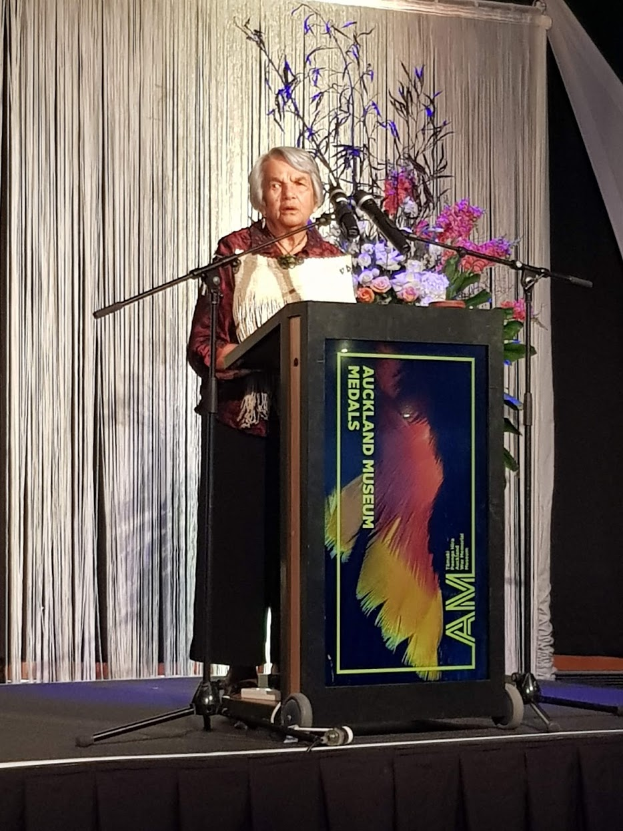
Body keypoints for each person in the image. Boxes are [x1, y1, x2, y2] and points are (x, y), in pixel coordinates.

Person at [187, 146, 355, 694]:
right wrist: (243, 359)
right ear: (261, 196)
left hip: (315, 425)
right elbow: (203, 342)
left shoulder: (334, 256)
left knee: (308, 542)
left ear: (316, 194)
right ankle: (239, 664)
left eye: (300, 183)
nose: (288, 194)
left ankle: (300, 659)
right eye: (277, 185)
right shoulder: (233, 252)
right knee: (242, 542)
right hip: (246, 419)